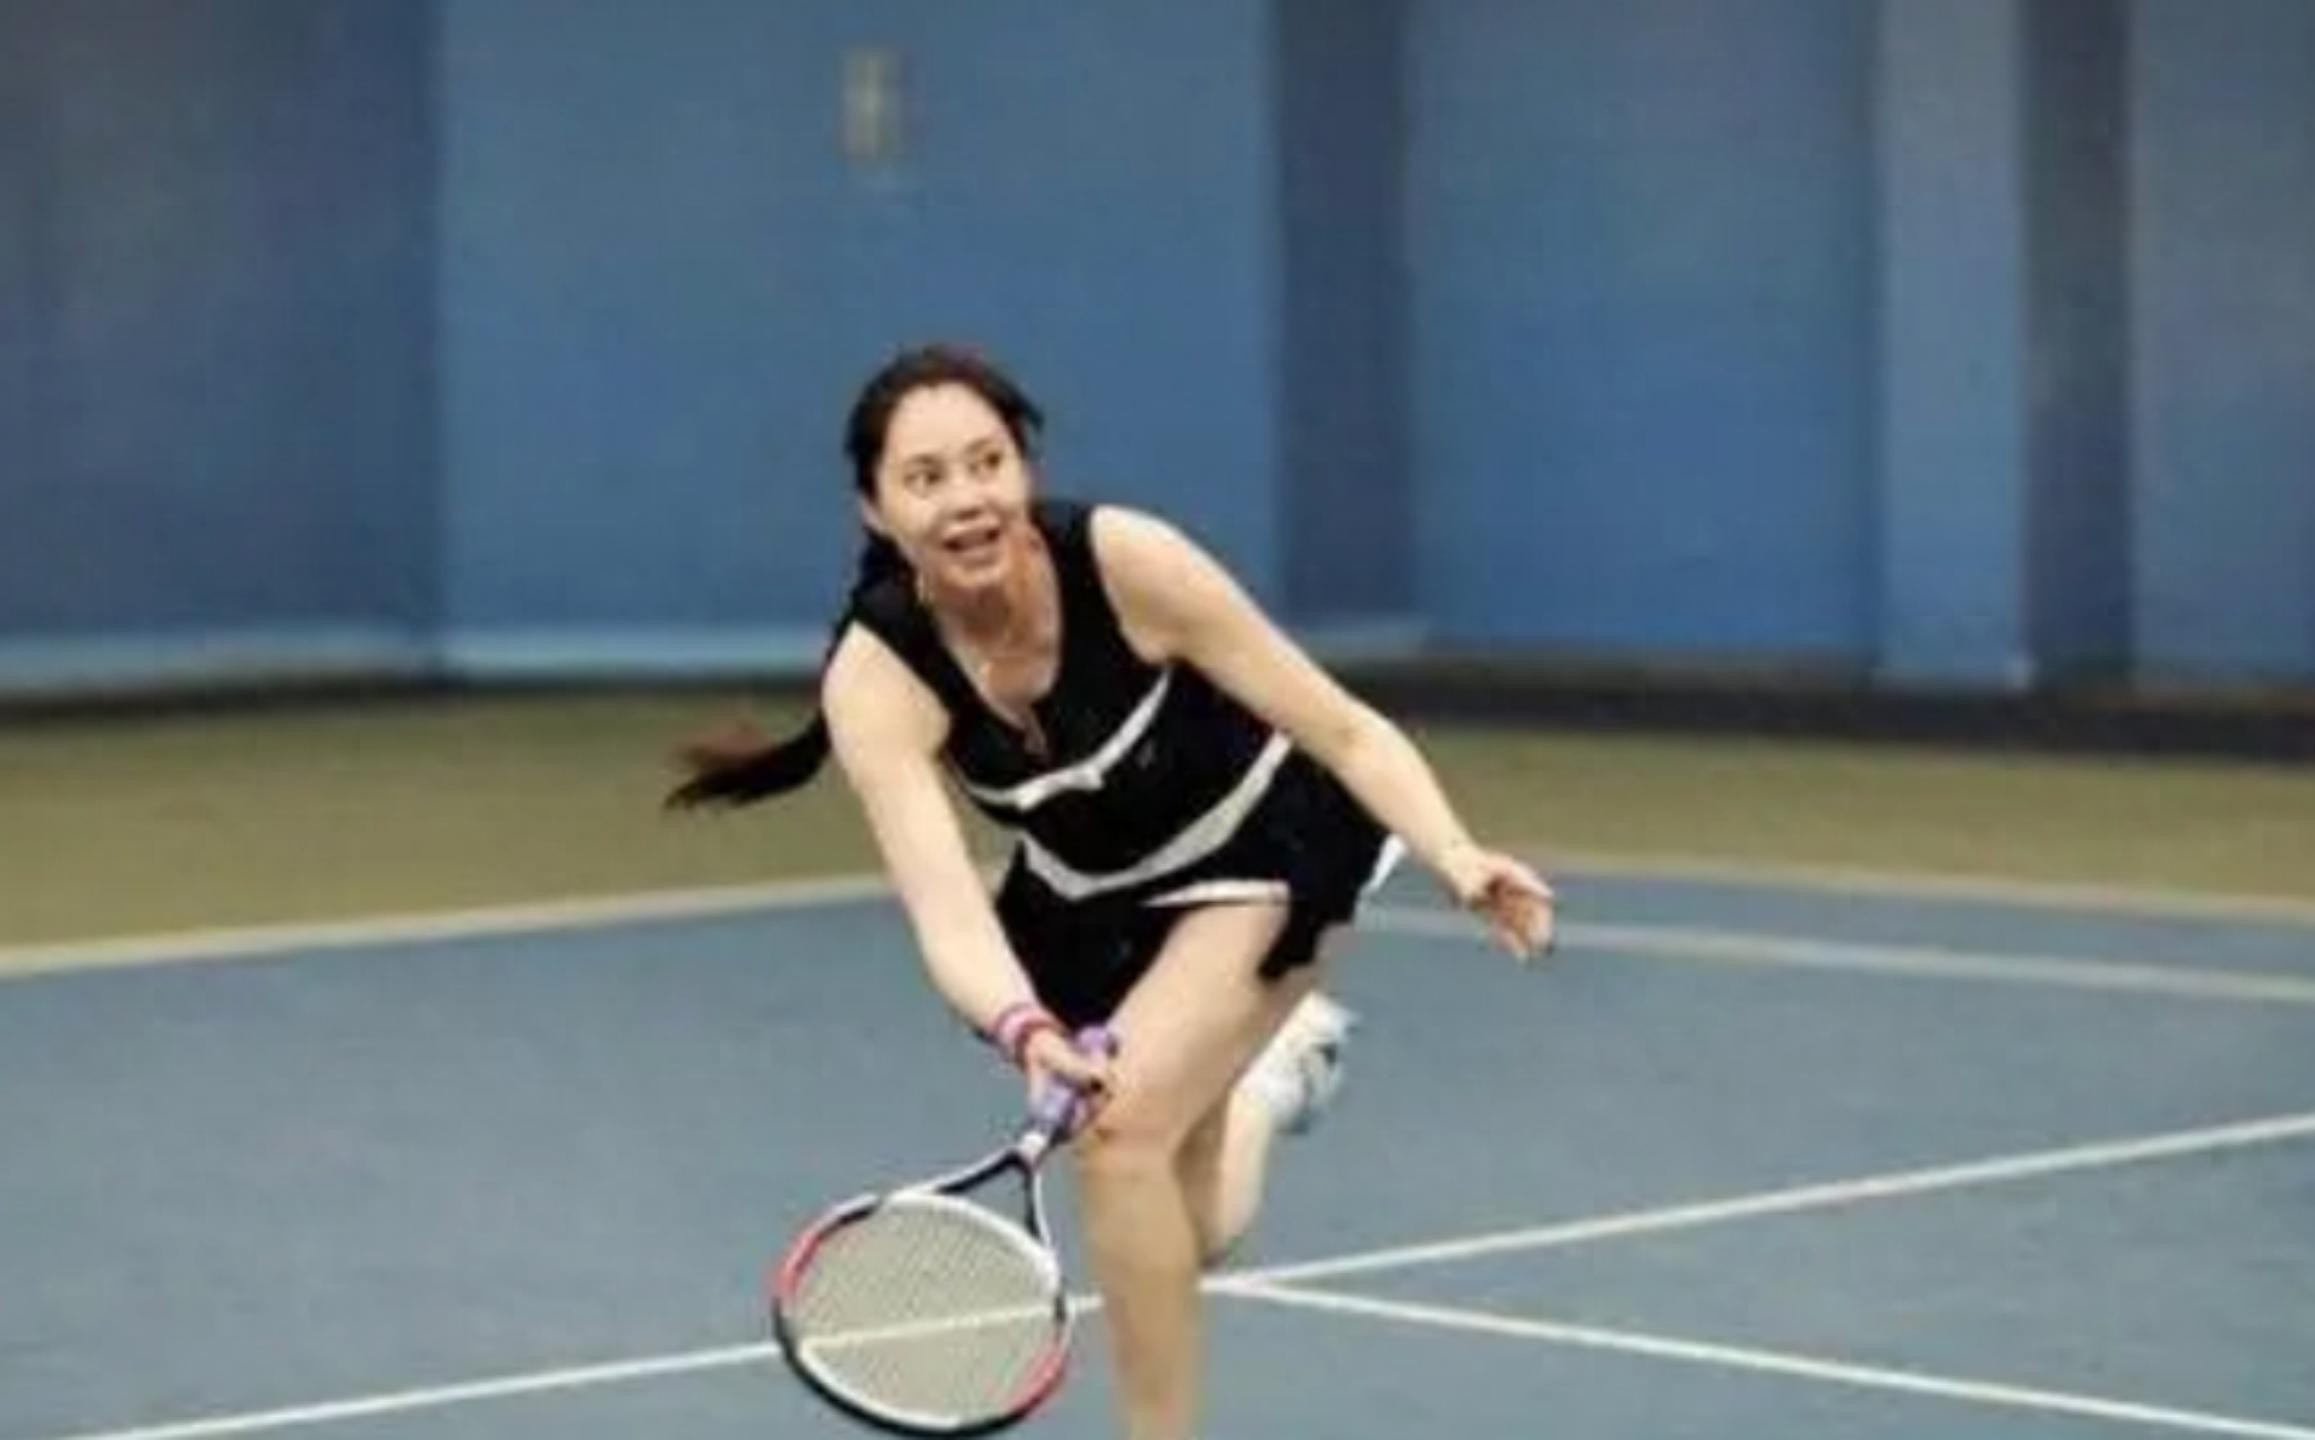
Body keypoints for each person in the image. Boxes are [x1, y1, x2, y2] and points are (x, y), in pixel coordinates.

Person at [668, 343, 1554, 1440]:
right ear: (876, 510)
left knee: (1120, 1136)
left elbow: (1342, 728)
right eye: (925, 477)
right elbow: (948, 910)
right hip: (1088, 904)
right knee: (1185, 1226)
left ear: (1024, 469)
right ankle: (1272, 1084)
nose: (965, 497)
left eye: (986, 462)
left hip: (1262, 849)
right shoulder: (879, 675)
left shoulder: (1130, 564)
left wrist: (1455, 855)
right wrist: (1024, 1026)